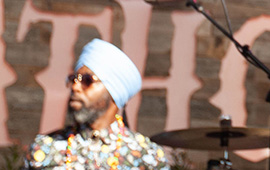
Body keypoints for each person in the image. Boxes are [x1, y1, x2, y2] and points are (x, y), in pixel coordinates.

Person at [24, 38, 171, 169]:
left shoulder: (148, 157)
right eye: (73, 79)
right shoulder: (44, 149)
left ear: (114, 91)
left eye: (87, 80)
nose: (75, 87)